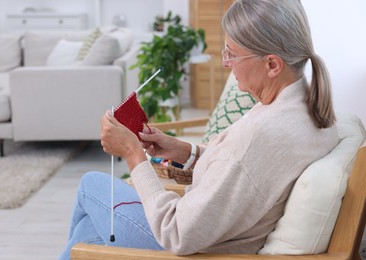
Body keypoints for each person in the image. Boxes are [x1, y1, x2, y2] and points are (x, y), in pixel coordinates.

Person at [59, 0, 339, 258]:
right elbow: (237, 175)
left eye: (232, 54)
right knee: (87, 233)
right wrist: (184, 151)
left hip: (197, 245)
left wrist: (133, 154)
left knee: (91, 186)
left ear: (272, 64)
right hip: (214, 232)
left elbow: (176, 231)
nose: (226, 63)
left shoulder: (262, 134)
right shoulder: (300, 106)